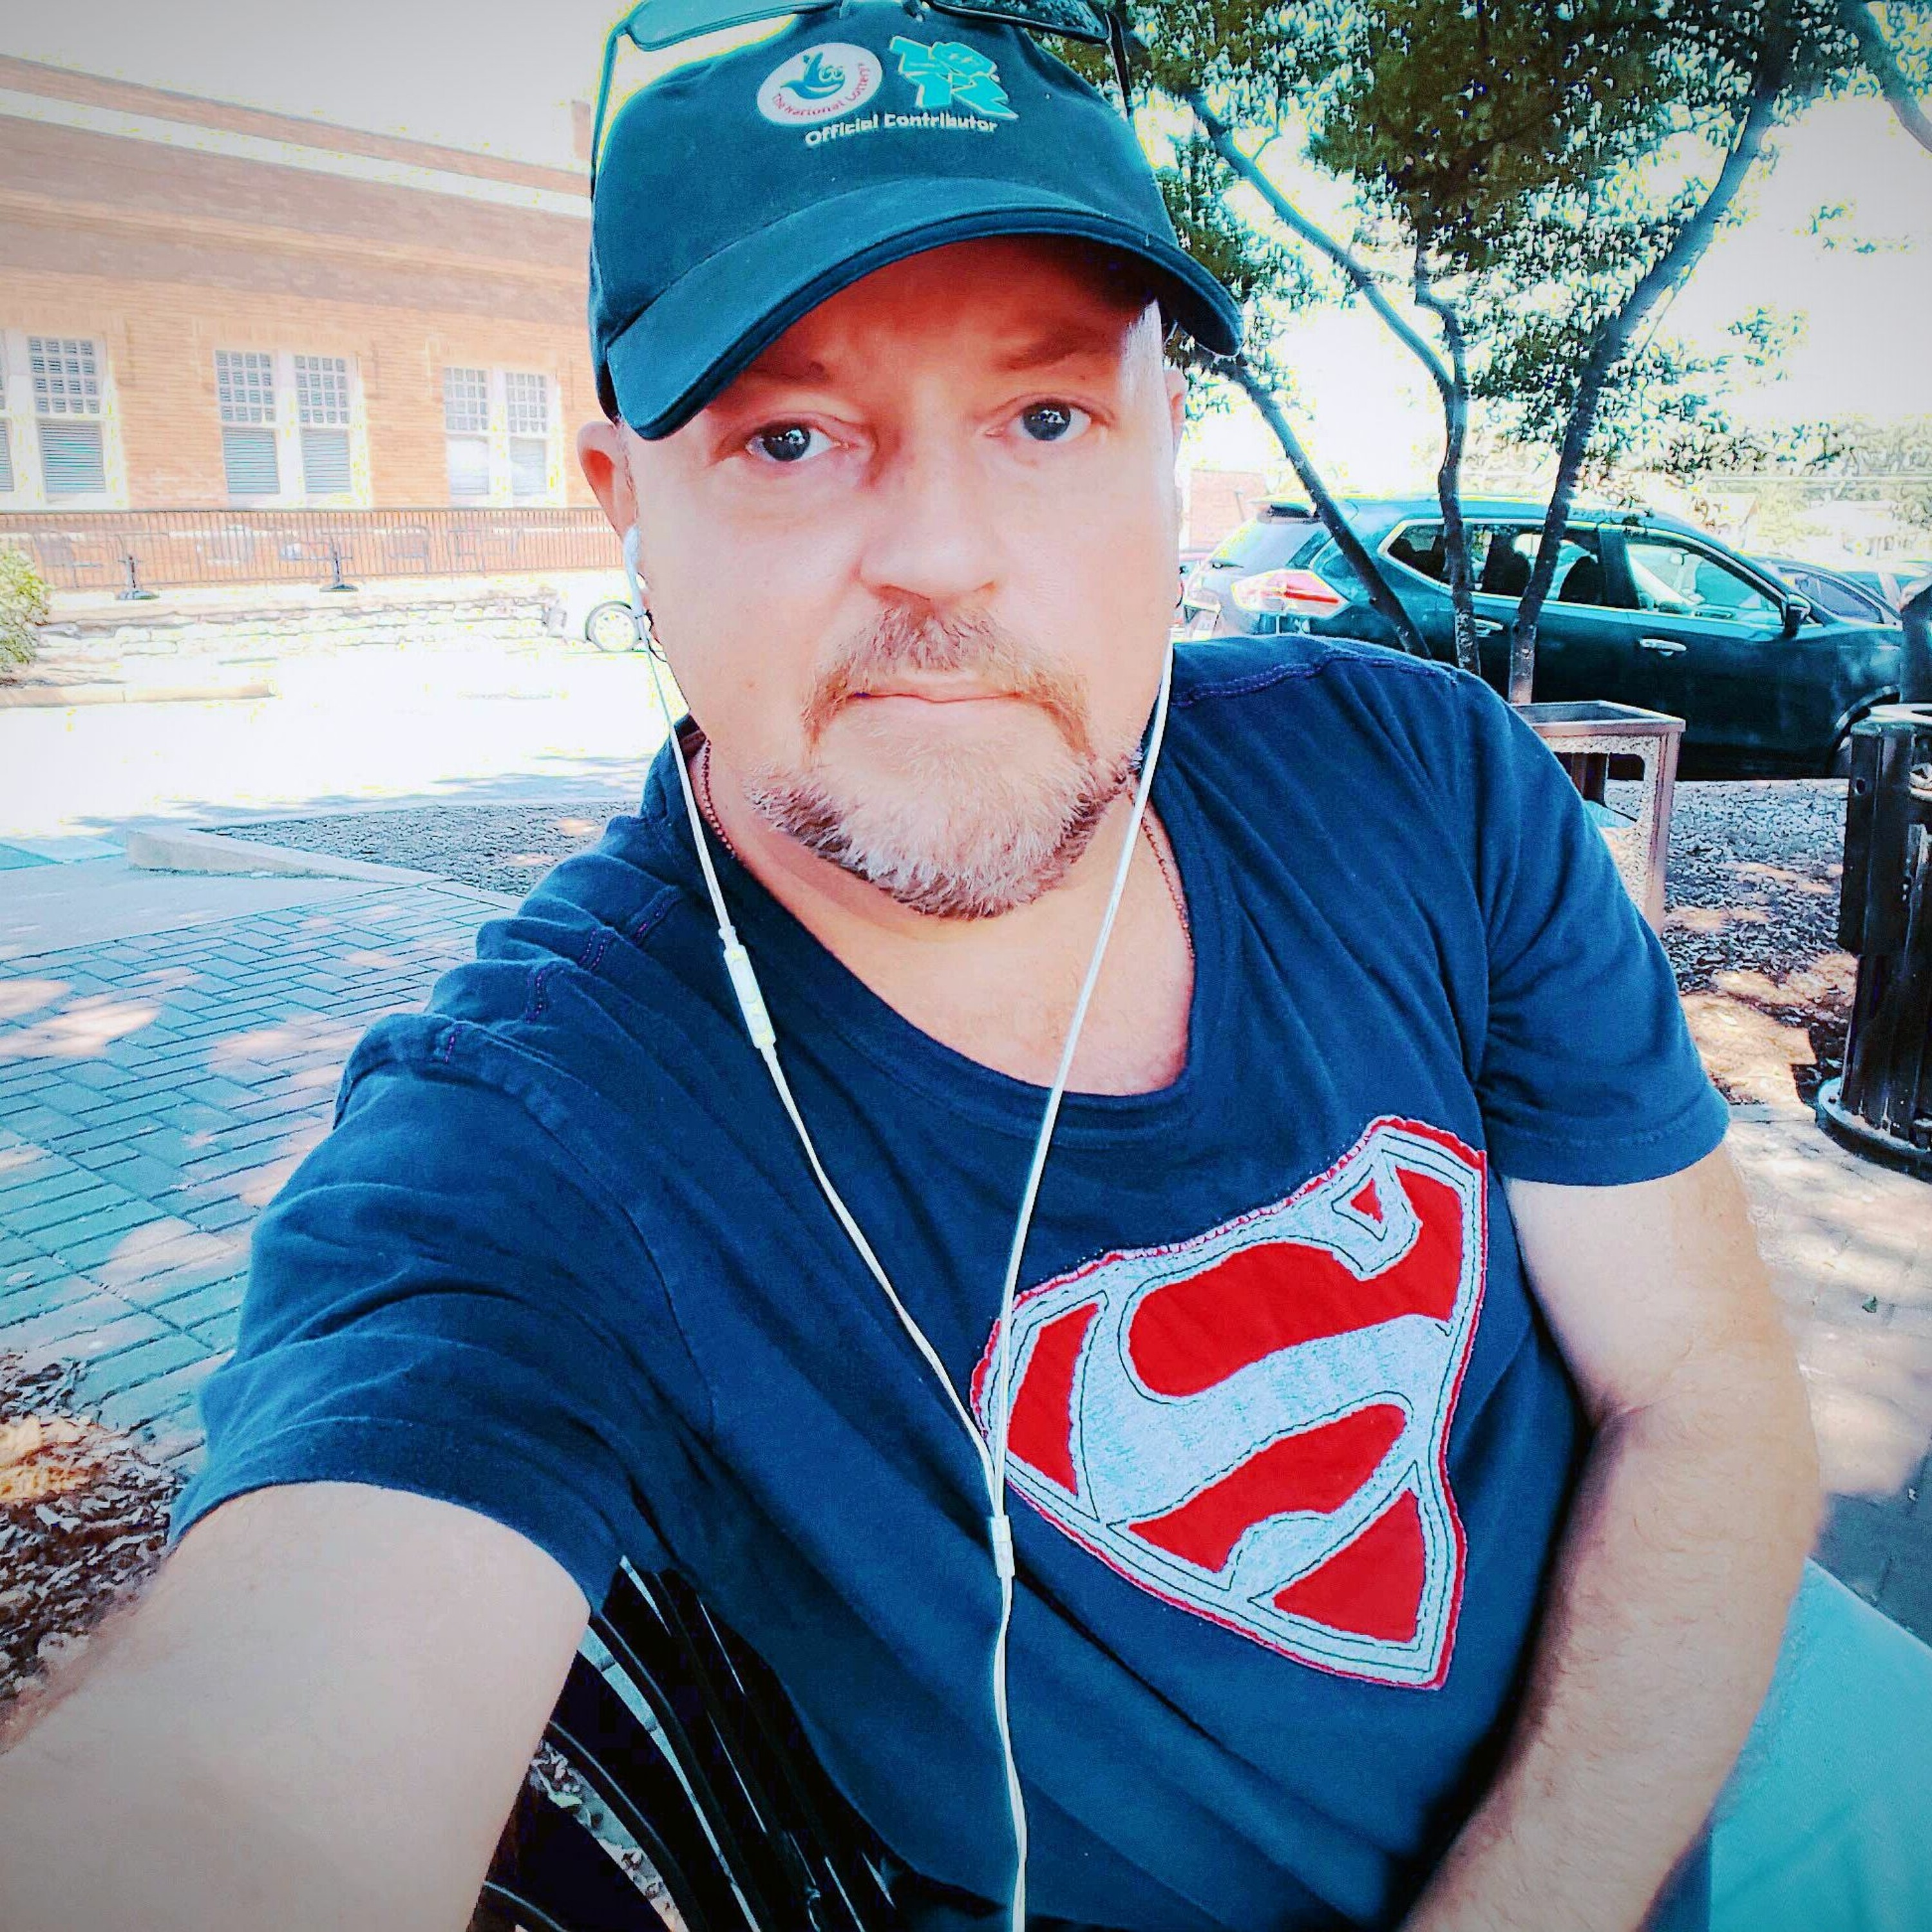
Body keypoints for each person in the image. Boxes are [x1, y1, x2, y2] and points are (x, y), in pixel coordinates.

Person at [1, 7, 1928, 1930]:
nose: (939, 554)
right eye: (788, 438)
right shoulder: (541, 1143)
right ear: (626, 507)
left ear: (1167, 460)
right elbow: (248, 1766)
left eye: (1046, 419)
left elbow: (1702, 1387)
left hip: (1709, 1696)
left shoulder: (1422, 787)